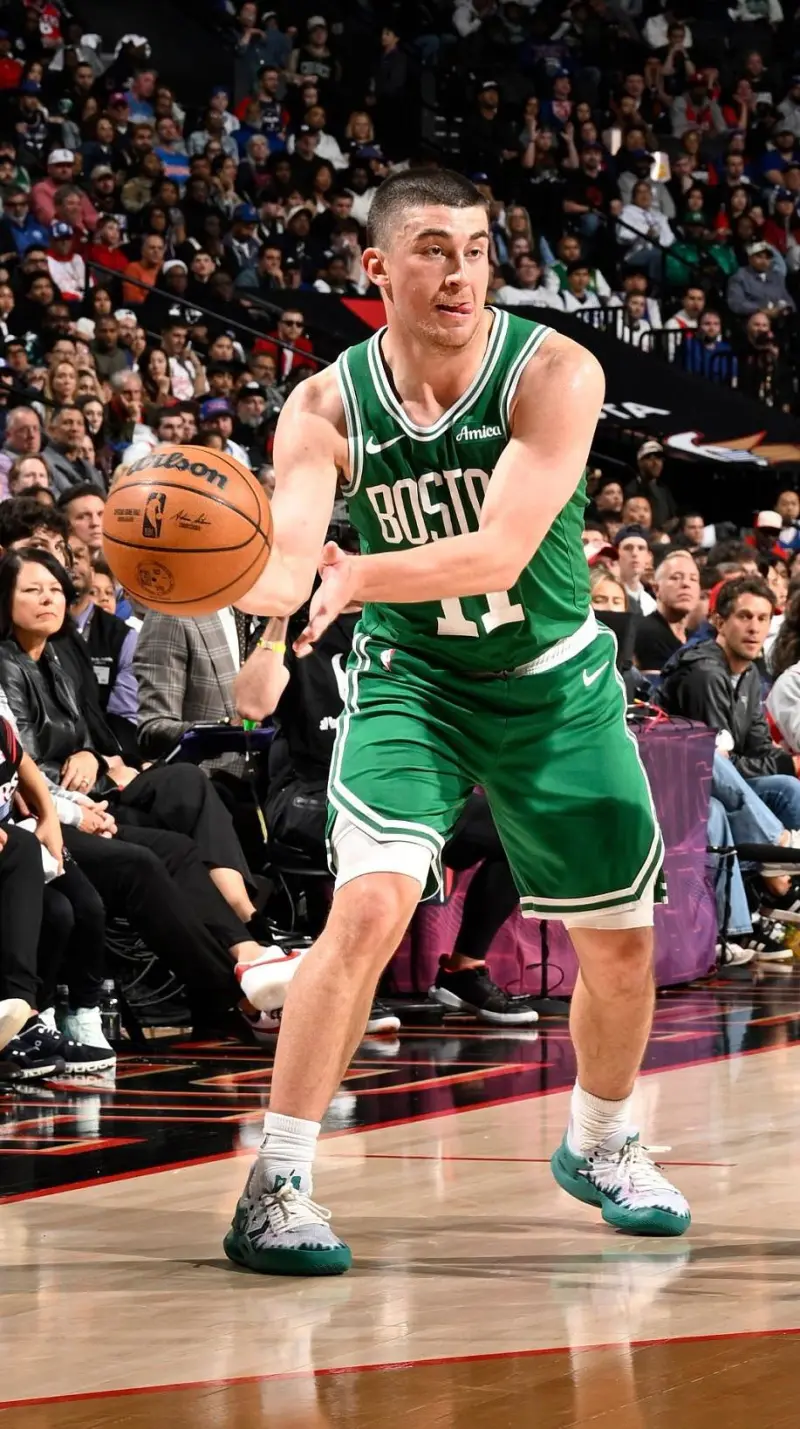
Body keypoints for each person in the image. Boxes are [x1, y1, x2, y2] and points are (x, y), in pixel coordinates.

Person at [225, 168, 689, 1277]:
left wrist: (354, 575)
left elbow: (498, 551)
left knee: (620, 947)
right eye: (433, 249)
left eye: (477, 249)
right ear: (377, 268)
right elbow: (291, 547)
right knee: (368, 907)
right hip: (414, 683)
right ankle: (274, 1184)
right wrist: (249, 590)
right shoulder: (324, 404)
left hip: (554, 683)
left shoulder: (554, 371)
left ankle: (600, 1141)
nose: (461, 272)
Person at [634, 551, 701, 675]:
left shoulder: (697, 638)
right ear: (656, 589)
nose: (686, 584)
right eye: (675, 577)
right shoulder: (646, 632)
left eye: (693, 579)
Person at [614, 523, 657, 615]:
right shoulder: (608, 594)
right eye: (628, 548)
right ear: (616, 555)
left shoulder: (651, 604)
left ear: (648, 557)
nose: (634, 553)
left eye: (641, 548)